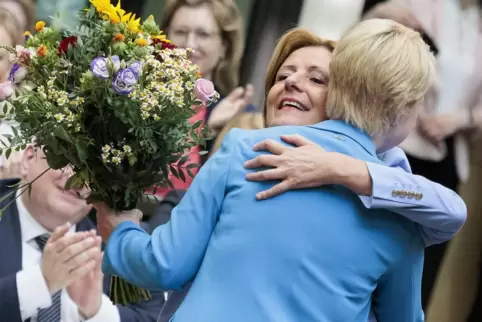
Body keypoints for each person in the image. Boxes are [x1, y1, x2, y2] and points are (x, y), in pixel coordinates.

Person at [99, 19, 436, 321]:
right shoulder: (401, 210)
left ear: (341, 94)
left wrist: (120, 233)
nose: (291, 83)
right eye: (282, 75)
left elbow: (164, 264)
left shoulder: (243, 149)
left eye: (317, 78)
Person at [364, 0, 482, 309]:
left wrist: (460, 119)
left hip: (448, 157)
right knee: (377, 246)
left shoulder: (477, 24)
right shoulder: (421, 4)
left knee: (422, 264)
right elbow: (370, 33)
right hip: (400, 147)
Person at [0, 145, 164, 322]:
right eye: (67, 160)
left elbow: (153, 317)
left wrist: (96, 312)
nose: (78, 181)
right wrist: (40, 283)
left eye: (95, 171)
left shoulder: (123, 240)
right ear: (28, 159)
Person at [151, 0, 252, 196]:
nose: (190, 45)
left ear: (224, 46)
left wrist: (214, 132)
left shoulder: (239, 115)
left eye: (203, 34)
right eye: (180, 32)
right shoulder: (135, 95)